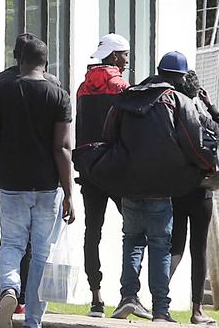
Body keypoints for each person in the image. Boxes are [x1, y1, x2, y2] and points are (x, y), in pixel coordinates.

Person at [107, 51, 215, 323]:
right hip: (160, 188)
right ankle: (160, 310)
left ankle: (128, 297)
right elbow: (193, 143)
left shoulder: (130, 95)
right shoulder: (177, 100)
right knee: (159, 245)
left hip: (129, 185)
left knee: (131, 241)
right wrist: (207, 165)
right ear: (180, 77)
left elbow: (109, 136)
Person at [0, 37, 75, 328]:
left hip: (10, 182)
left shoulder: (3, 90)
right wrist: (69, 193)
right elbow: (62, 148)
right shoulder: (59, 95)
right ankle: (33, 322)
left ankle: (8, 289)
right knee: (42, 252)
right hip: (47, 186)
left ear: (21, 61)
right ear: (46, 62)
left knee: (12, 244)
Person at [76, 33, 145, 318]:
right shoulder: (122, 88)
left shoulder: (82, 87)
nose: (127, 60)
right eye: (125, 55)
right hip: (116, 169)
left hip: (88, 169)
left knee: (92, 232)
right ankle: (129, 294)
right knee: (134, 231)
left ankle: (95, 296)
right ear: (114, 56)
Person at [169, 70, 219, 325]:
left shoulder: (171, 116)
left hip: (175, 189)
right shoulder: (201, 116)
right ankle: (197, 311)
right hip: (201, 190)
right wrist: (209, 104)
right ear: (196, 93)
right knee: (198, 250)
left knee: (174, 248)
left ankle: (159, 302)